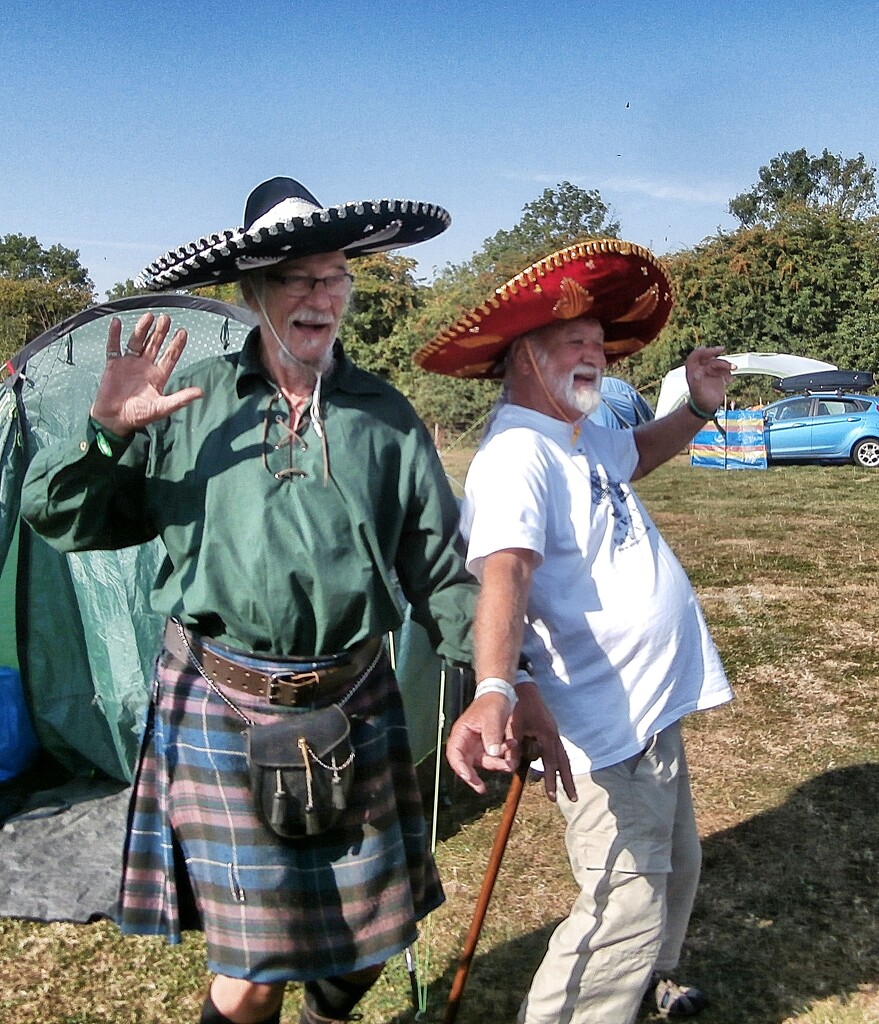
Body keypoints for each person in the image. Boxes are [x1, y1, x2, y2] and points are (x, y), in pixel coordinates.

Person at [20, 177, 477, 1024]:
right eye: (294, 278)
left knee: (369, 945)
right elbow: (66, 523)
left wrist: (492, 683)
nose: (318, 295)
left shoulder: (386, 418)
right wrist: (107, 434)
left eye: (333, 276)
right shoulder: (186, 407)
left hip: (357, 700)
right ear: (250, 292)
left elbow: (440, 569)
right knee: (256, 968)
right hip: (220, 706)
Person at [415, 240, 735, 1024]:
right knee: (621, 899)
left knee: (677, 863)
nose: (596, 355)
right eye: (576, 343)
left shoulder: (579, 432)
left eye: (599, 343)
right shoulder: (515, 455)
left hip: (649, 705)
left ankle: (653, 980)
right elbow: (504, 574)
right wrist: (496, 686)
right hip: (596, 720)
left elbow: (636, 454)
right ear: (526, 353)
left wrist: (694, 407)